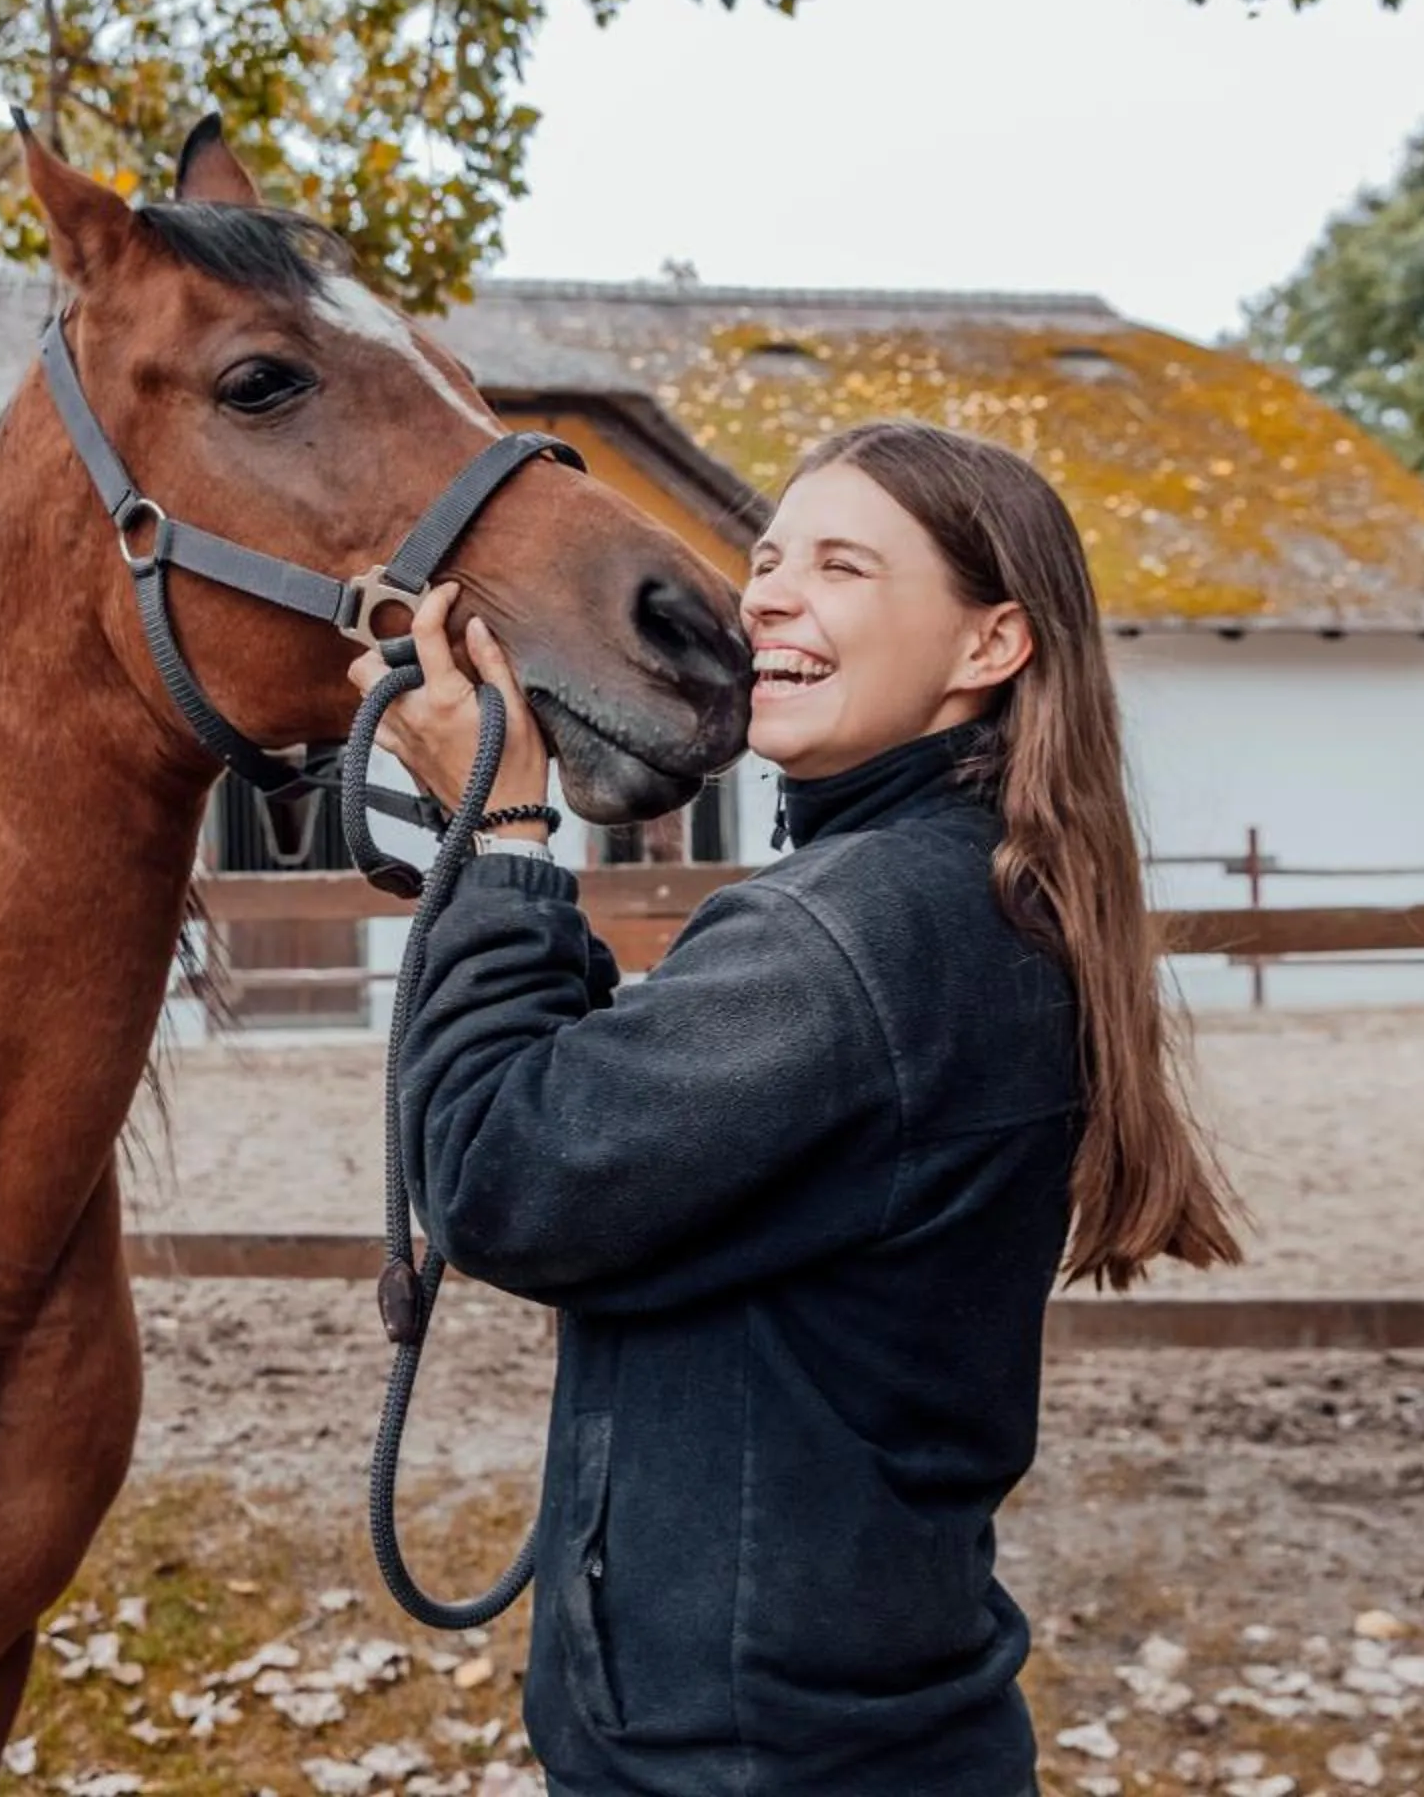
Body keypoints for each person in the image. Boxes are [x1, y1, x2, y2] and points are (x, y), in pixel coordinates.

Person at [353, 419, 1243, 1795]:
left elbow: (501, 1179)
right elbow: (628, 1115)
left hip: (747, 1753)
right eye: (768, 558)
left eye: (841, 566)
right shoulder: (962, 890)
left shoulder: (853, 933)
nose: (765, 592)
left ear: (989, 646)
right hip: (861, 1721)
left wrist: (508, 828)